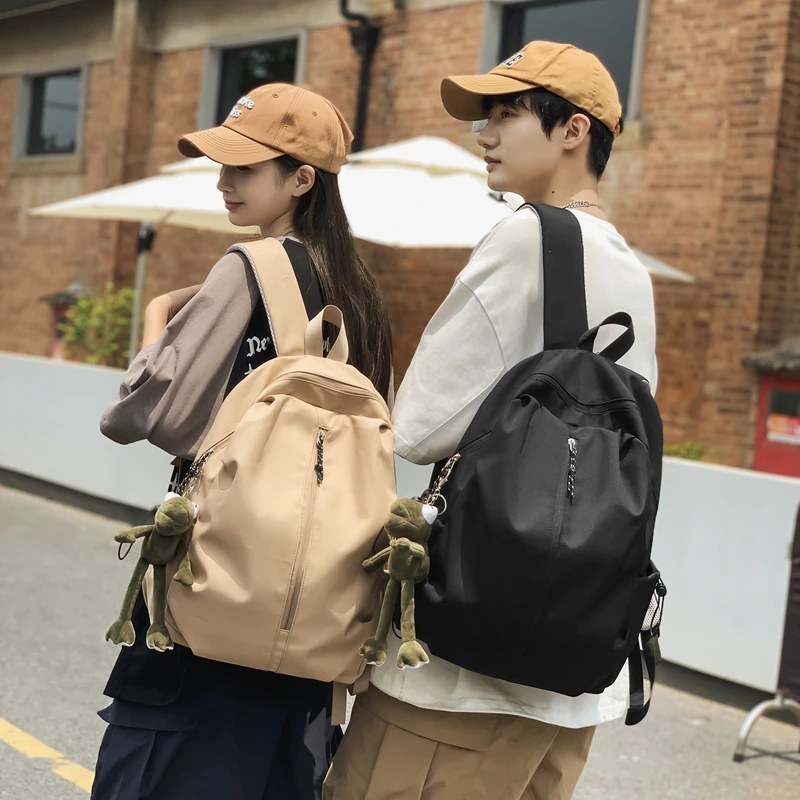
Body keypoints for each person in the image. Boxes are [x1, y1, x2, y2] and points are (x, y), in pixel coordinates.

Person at [323, 41, 658, 800]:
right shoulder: (630, 270)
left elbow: (418, 427)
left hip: (460, 674)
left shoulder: (524, 237)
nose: (485, 134)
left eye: (507, 115)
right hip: (573, 674)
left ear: (573, 131)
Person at [91, 83, 393, 800]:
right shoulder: (362, 297)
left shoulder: (248, 266)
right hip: (315, 616)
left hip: (215, 590)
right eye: (222, 166)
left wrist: (160, 316)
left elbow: (143, 414)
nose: (224, 182)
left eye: (244, 169)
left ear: (301, 179)